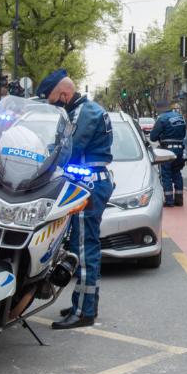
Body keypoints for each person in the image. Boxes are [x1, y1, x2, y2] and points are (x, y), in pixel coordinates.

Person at [36, 69, 114, 330]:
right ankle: (82, 302)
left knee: (84, 250)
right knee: (80, 248)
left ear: (64, 94)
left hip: (88, 186)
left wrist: (40, 161)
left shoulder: (85, 113)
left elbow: (68, 149)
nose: (53, 106)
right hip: (88, 184)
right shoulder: (84, 110)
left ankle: (84, 312)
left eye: (53, 100)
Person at [151, 101, 186, 207]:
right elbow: (183, 133)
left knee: (166, 175)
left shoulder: (162, 119)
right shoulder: (180, 117)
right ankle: (179, 200)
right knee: (177, 173)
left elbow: (153, 137)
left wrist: (161, 136)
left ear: (159, 109)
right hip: (180, 150)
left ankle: (169, 201)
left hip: (167, 151)